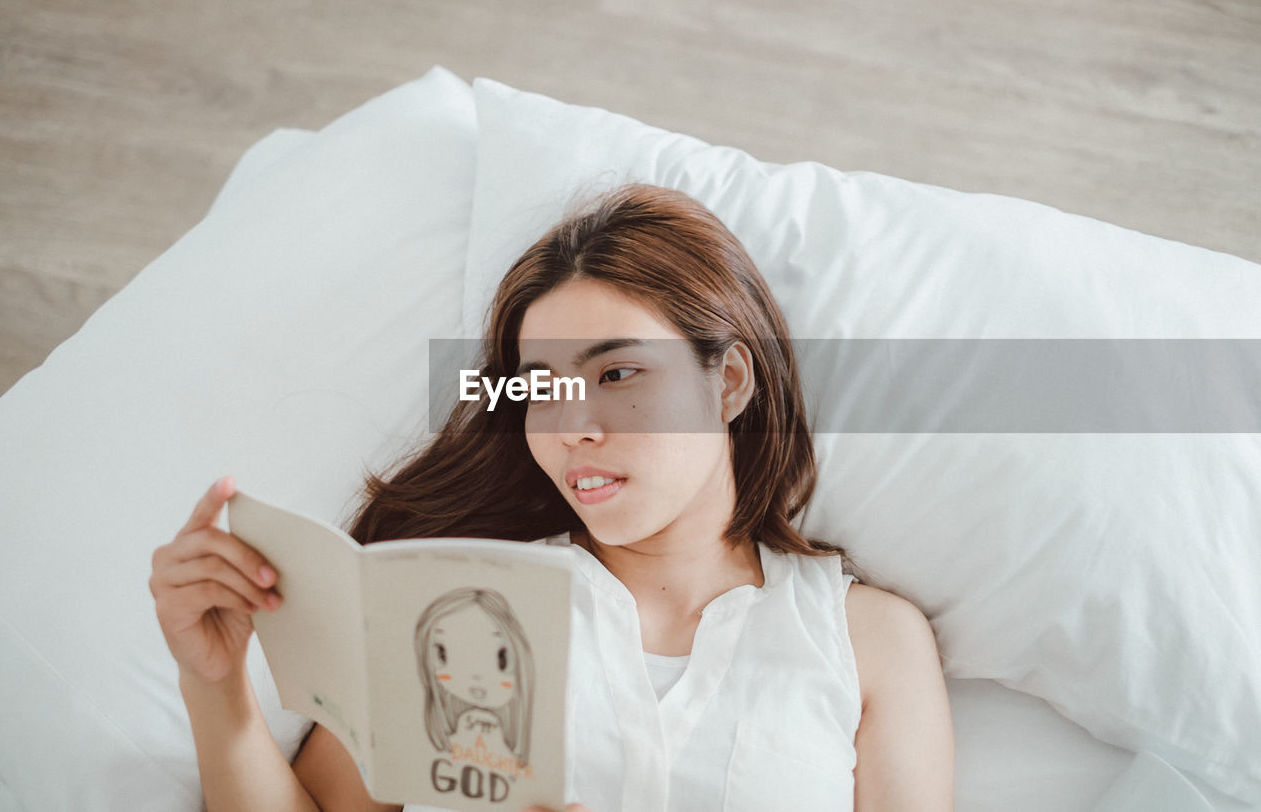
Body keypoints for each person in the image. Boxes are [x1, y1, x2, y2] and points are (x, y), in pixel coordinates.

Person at [150, 183, 954, 811]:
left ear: (730, 381)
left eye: (617, 374)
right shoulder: (451, 599)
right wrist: (214, 687)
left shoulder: (871, 643)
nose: (571, 426)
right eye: (541, 388)